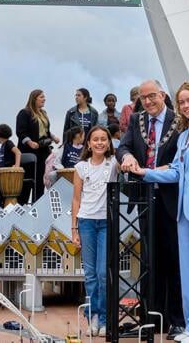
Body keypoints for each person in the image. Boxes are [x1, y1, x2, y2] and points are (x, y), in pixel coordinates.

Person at [125, 82, 189, 343]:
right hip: (183, 213)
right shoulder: (184, 136)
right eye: (182, 102)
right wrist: (144, 172)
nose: (186, 105)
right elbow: (176, 172)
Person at [117, 79, 184, 337]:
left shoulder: (179, 121)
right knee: (148, 263)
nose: (148, 102)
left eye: (152, 96)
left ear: (163, 95)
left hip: (170, 198)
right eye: (144, 98)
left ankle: (177, 319)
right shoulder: (136, 120)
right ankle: (150, 319)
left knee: (173, 261)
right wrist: (128, 156)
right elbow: (123, 146)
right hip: (145, 199)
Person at [70, 126, 118, 337]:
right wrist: (74, 229)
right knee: (90, 274)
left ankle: (106, 317)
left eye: (103, 139)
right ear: (88, 144)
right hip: (87, 222)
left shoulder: (114, 164)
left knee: (102, 272)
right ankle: (93, 317)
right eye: (95, 139)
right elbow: (76, 198)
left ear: (108, 142)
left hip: (106, 222)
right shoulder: (81, 167)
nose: (99, 143)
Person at [16, 89, 60, 201]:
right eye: (41, 97)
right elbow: (20, 132)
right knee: (28, 180)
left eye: (44, 97)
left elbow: (45, 130)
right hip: (29, 152)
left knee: (40, 180)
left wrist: (53, 137)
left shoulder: (43, 113)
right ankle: (23, 206)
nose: (44, 99)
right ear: (34, 98)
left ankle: (37, 205)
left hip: (43, 151)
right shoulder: (25, 113)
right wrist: (30, 142)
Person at [0, 124, 26, 204]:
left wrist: (16, 167)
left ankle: (4, 201)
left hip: (9, 174)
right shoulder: (3, 146)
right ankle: (3, 202)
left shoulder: (8, 143)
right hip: (2, 174)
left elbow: (18, 152)